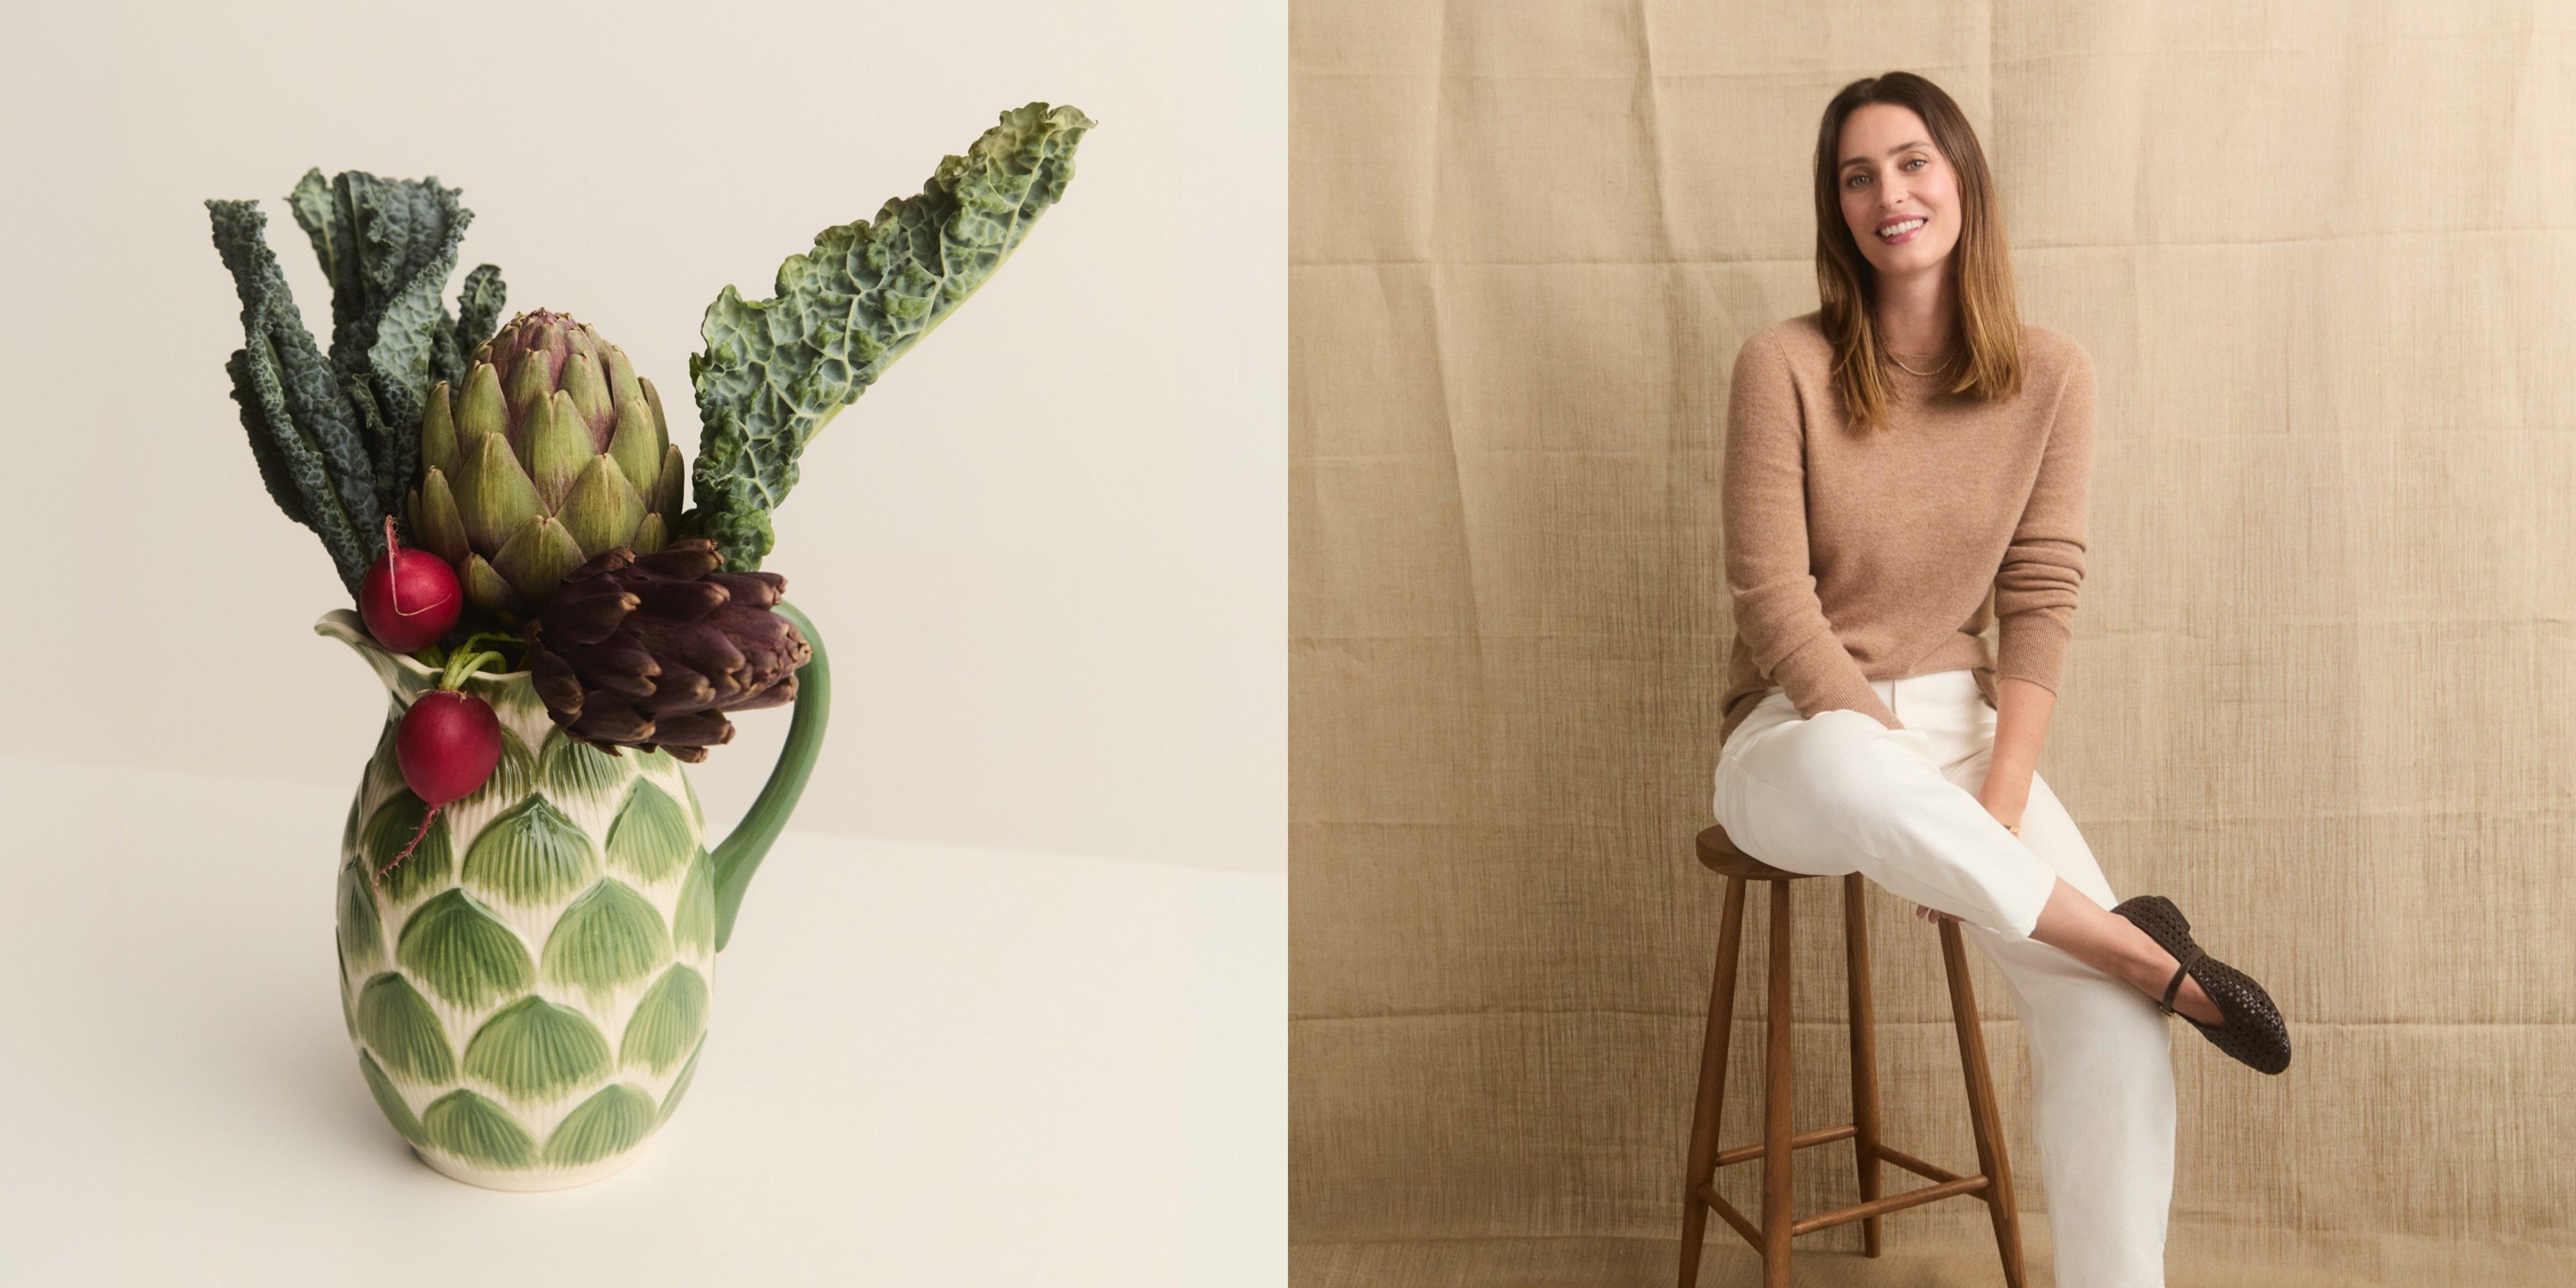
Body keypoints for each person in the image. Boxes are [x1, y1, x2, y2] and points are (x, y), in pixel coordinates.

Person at [1706, 71, 2289, 1288]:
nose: (1889, 193)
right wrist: (1911, 791)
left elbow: (2039, 596)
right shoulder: (1783, 366)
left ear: (1962, 178)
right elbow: (1773, 602)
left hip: (1960, 730)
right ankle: (2142, 951)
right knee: (1855, 765)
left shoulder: (2052, 375)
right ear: (1837, 209)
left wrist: (1997, 803)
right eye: (1857, 176)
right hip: (1797, 734)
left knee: (2114, 1029)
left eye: (1912, 162)